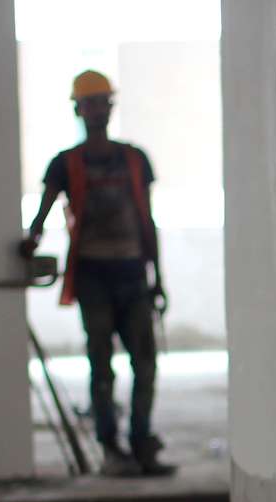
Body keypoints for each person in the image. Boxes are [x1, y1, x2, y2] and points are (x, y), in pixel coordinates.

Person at [20, 70, 173, 477]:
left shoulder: (134, 160)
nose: (96, 110)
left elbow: (148, 220)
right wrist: (29, 242)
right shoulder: (66, 164)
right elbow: (43, 213)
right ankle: (111, 448)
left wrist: (157, 278)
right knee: (101, 364)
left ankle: (142, 443)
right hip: (93, 278)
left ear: (111, 106)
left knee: (146, 364)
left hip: (133, 275)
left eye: (102, 102)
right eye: (89, 103)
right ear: (78, 109)